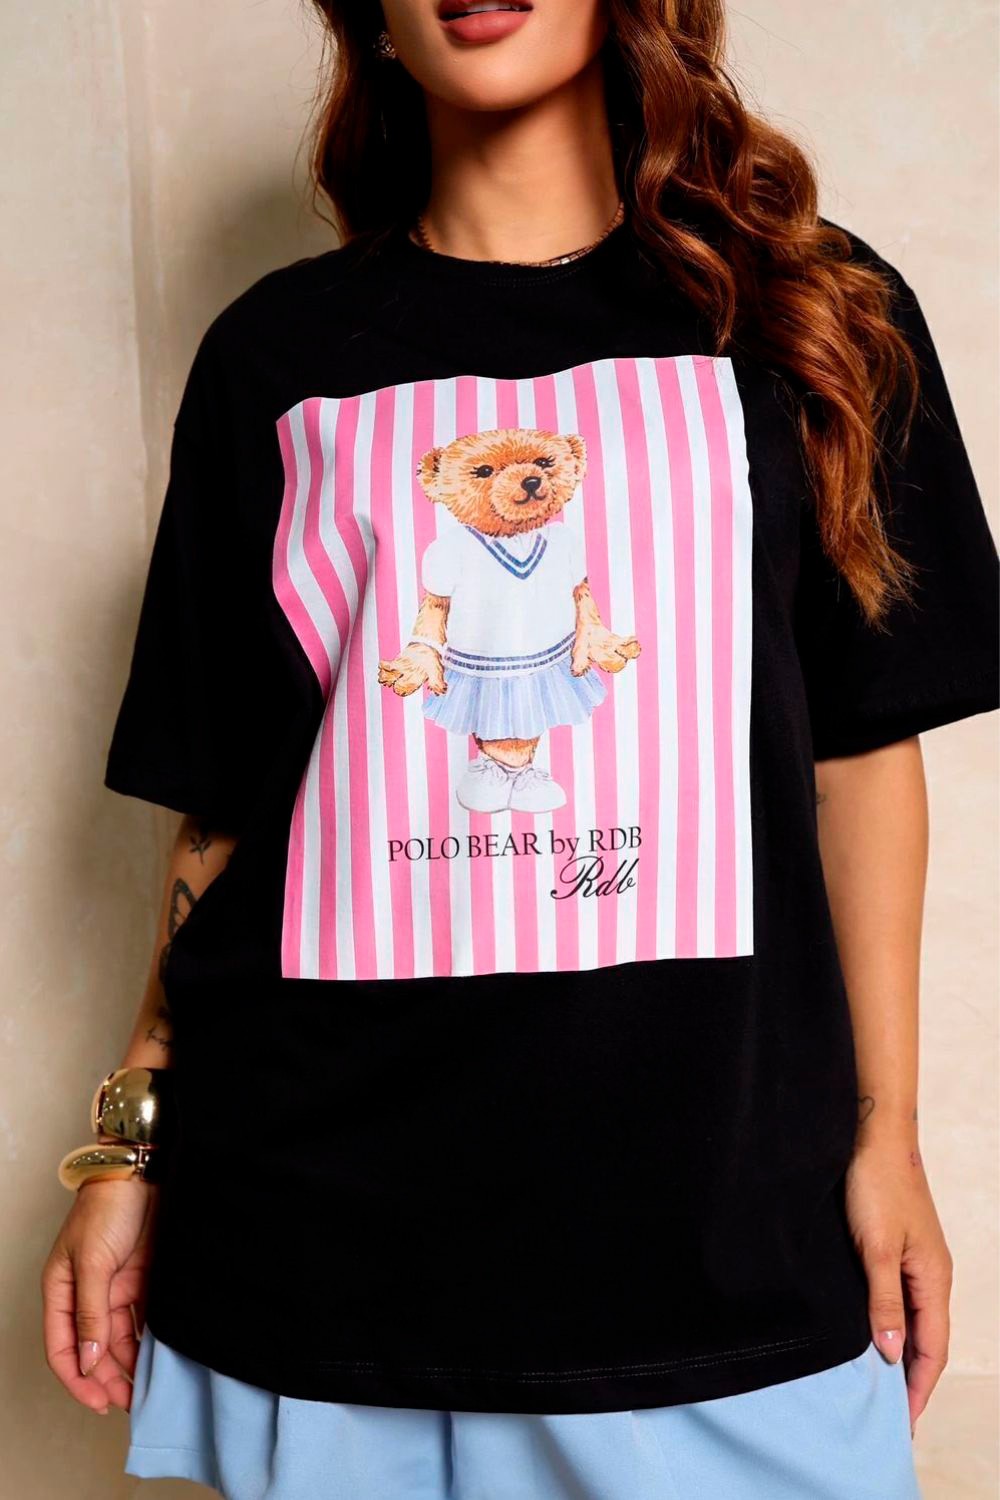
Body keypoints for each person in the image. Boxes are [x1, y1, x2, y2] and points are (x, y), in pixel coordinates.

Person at [42, 1, 999, 1496]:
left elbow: (862, 757)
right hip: (322, 1233)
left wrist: (887, 1140)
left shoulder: (811, 313)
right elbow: (227, 804)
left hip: (713, 1234)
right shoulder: (275, 355)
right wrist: (131, 1145)